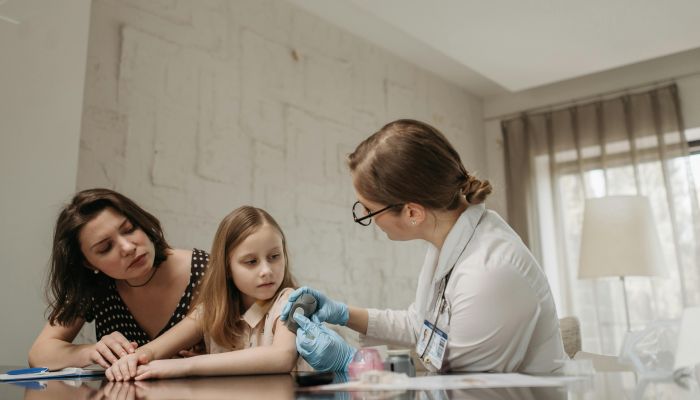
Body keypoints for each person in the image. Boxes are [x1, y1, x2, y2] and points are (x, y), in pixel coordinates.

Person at [281, 119, 567, 374]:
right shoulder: (448, 242)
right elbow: (419, 325)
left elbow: (457, 389)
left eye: (369, 211)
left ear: (412, 213)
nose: (371, 221)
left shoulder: (487, 273)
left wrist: (351, 363)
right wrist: (343, 313)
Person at [104, 206, 306, 381]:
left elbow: (281, 357)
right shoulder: (211, 311)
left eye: (274, 257)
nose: (266, 270)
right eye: (251, 261)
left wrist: (184, 367)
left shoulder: (292, 300)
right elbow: (154, 349)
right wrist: (132, 359)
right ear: (227, 267)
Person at [28, 189, 209, 370]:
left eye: (129, 229)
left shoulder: (207, 270)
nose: (128, 247)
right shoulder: (96, 284)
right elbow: (39, 354)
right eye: (106, 247)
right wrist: (91, 352)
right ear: (89, 264)